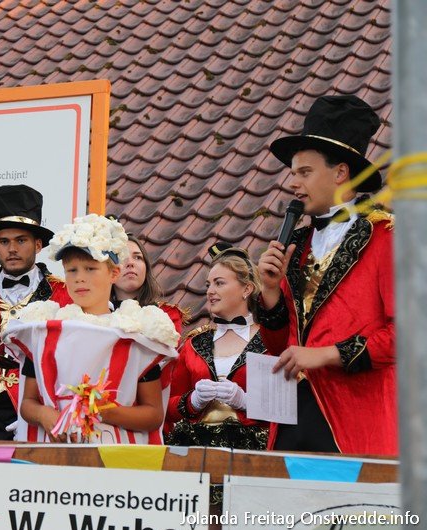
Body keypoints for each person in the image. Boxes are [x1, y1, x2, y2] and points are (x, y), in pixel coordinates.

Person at [257, 95, 396, 455]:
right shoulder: (297, 243)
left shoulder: (387, 237)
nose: (293, 183)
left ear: (340, 173)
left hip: (355, 421)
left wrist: (326, 354)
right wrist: (270, 293)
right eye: (293, 174)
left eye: (304, 172)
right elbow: (281, 348)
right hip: (292, 418)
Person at [8, 214, 179, 443]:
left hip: (114, 456)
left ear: (114, 273)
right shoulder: (45, 330)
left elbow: (153, 414)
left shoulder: (133, 334)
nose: (80, 278)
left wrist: (101, 410)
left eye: (90, 268)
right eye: (72, 270)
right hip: (54, 453)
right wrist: (44, 414)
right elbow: (27, 403)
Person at [0, 185, 72, 440]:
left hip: (42, 409)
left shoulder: (63, 293)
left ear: (38, 244)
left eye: (21, 240)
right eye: (4, 241)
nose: (12, 249)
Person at [166, 243, 269, 449]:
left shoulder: (270, 340)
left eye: (219, 283)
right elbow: (167, 407)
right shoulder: (195, 343)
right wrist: (192, 401)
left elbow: (287, 407)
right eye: (208, 285)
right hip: (198, 450)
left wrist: (246, 401)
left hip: (253, 451)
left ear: (247, 289)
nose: (210, 291)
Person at [111, 234, 188, 336]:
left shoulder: (167, 315)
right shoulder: (96, 317)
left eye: (137, 257)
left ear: (146, 268)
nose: (130, 263)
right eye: (121, 257)